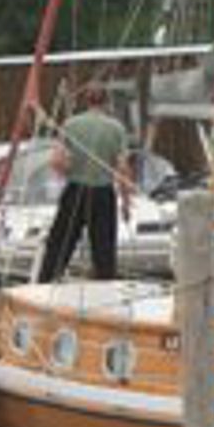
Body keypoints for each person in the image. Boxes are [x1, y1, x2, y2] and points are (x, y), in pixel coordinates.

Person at [36, 83, 131, 282]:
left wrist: (68, 172)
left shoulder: (71, 124)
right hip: (103, 193)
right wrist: (126, 203)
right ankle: (105, 288)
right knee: (104, 248)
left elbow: (56, 161)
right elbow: (122, 168)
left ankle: (46, 282)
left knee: (60, 243)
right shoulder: (116, 129)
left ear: (86, 100)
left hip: (75, 189)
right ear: (107, 102)